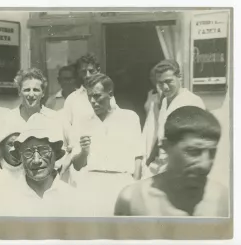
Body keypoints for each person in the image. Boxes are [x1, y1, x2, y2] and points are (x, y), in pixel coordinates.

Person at [115, 106, 229, 217]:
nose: (205, 164)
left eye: (212, 153)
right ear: (166, 147)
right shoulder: (132, 200)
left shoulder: (223, 200)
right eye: (193, 151)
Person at [0, 118, 83, 217]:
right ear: (20, 157)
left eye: (44, 151)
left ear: (56, 154)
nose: (36, 160)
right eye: (28, 153)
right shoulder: (3, 198)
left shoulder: (73, 198)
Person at [64, 73, 143, 216]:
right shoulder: (83, 121)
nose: (93, 101)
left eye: (97, 96)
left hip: (121, 184)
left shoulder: (129, 118)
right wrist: (84, 151)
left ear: (110, 94)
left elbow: (138, 157)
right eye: (90, 97)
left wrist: (134, 187)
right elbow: (77, 165)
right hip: (91, 186)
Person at [145, 59, 206, 176]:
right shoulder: (164, 102)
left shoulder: (192, 101)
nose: (165, 87)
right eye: (161, 83)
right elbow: (160, 135)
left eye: (168, 81)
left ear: (179, 77)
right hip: (160, 165)